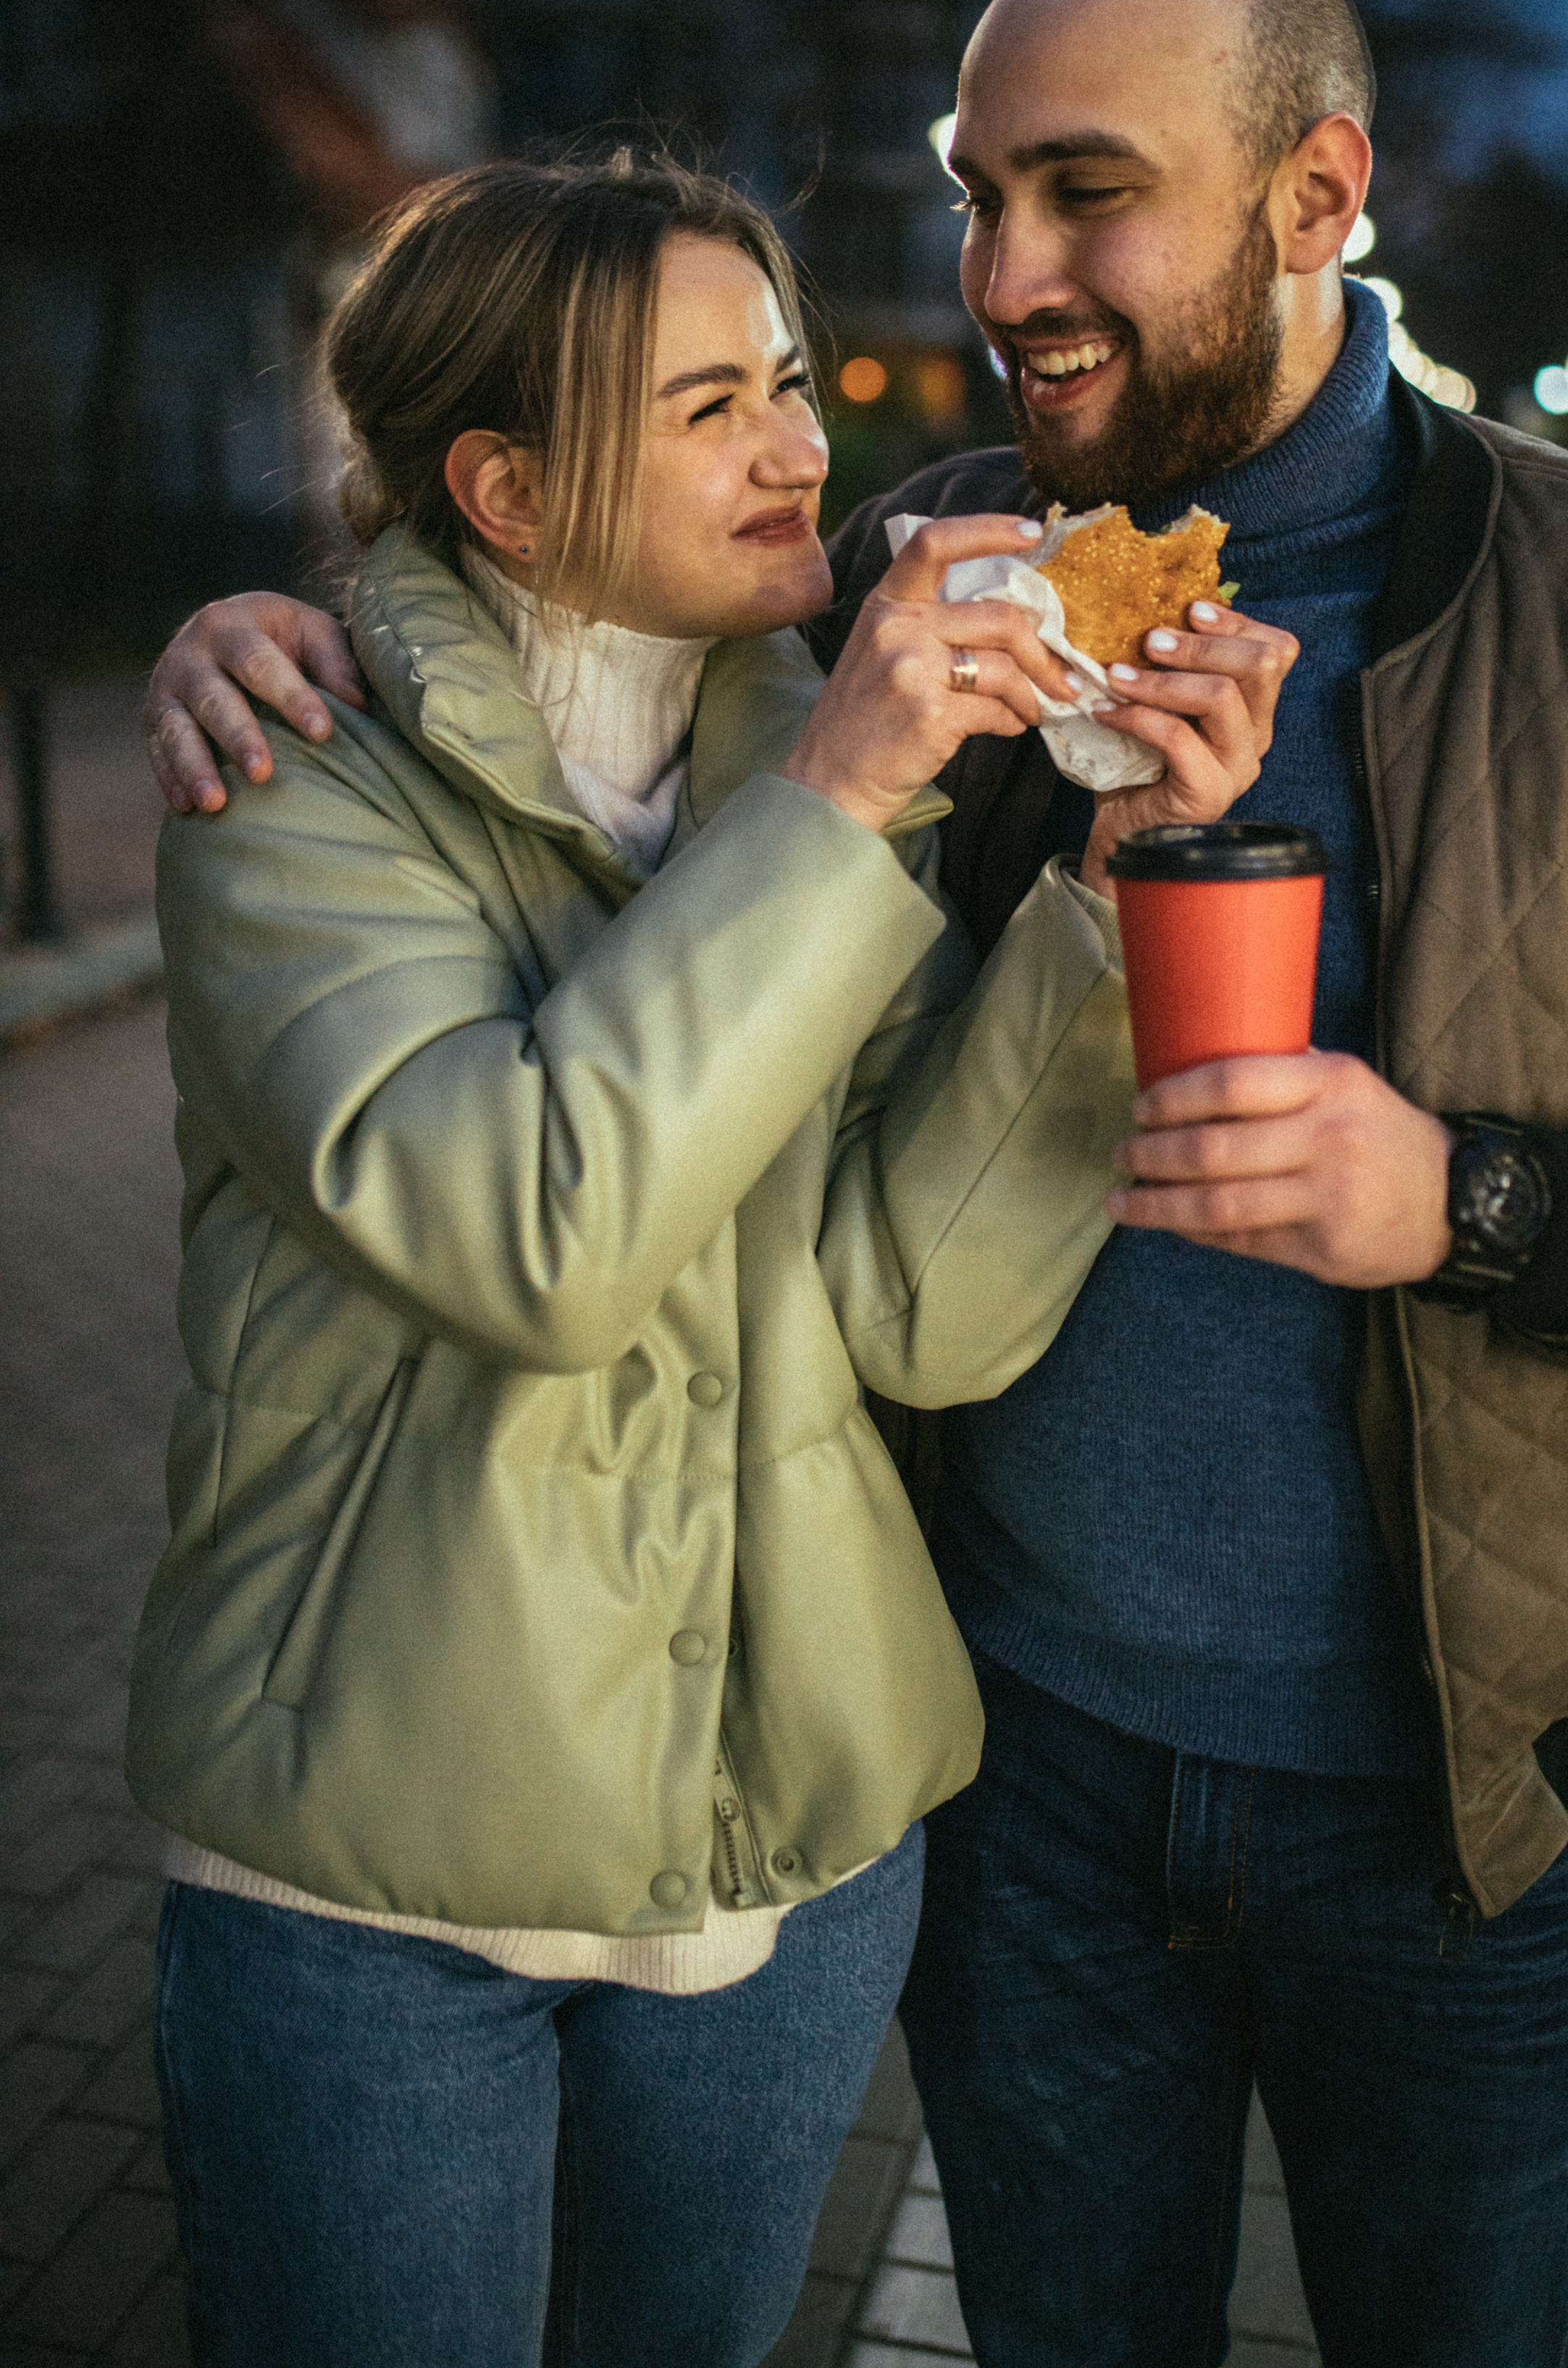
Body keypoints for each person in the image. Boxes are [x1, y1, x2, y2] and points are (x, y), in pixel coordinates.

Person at [142, 0, 1568, 2368]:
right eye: (975, 193)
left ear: (1315, 193)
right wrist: (286, 623)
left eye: (1085, 193)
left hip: (1462, 1808)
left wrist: (1476, 1202)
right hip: (1016, 1771)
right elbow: (544, 609)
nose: (1002, 276)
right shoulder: (901, 584)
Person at [127, 148, 1281, 2368]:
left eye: (784, 374)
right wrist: (837, 811)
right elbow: (533, 1235)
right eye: (705, 406)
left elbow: (911, 1315)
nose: (798, 444)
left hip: (795, 1855)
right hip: (379, 1887)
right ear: (509, 489)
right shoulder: (289, 784)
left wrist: (1100, 901)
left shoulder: (806, 753)